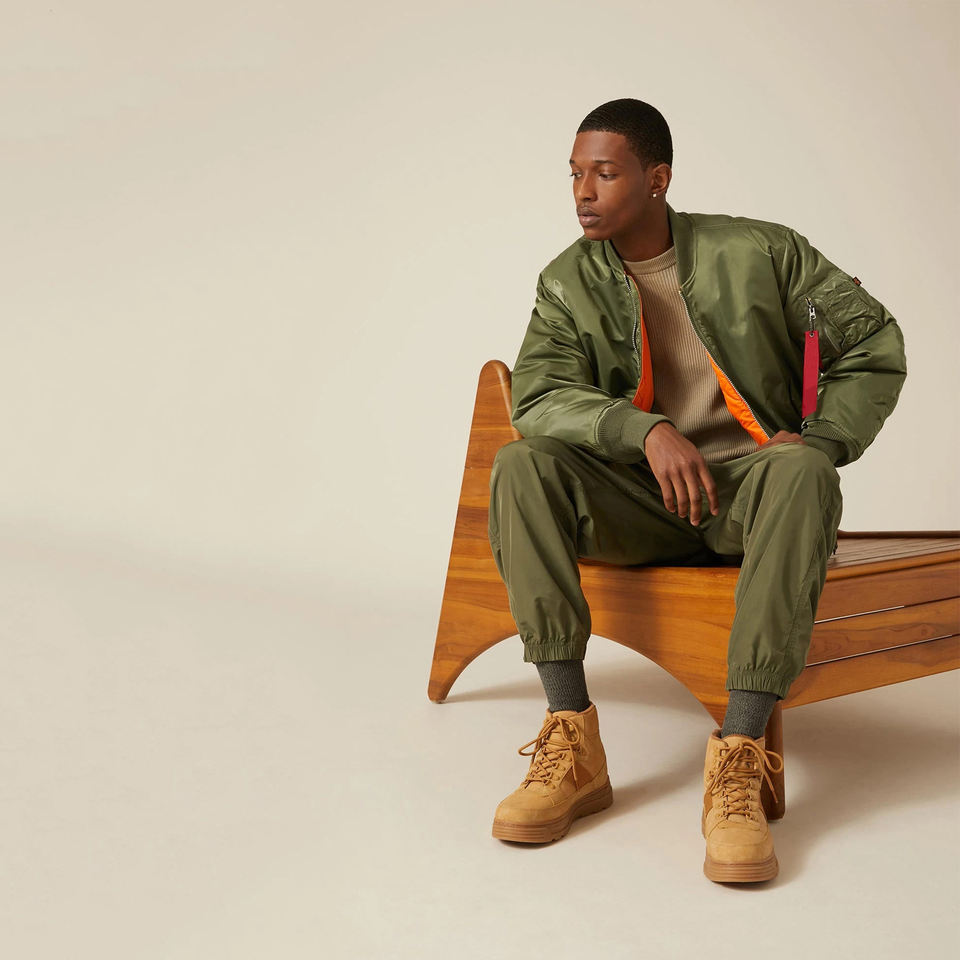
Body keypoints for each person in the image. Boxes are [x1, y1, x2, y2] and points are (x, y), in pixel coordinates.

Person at [486, 98, 906, 883]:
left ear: (658, 179)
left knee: (804, 469)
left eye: (604, 173)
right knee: (522, 466)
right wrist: (640, 430)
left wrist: (821, 438)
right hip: (642, 500)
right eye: (574, 174)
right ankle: (570, 737)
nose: (583, 191)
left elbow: (872, 341)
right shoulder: (567, 281)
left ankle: (740, 756)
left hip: (751, 494)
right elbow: (538, 398)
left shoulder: (762, 251)